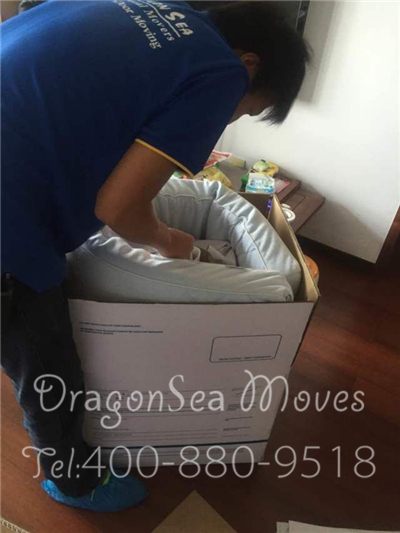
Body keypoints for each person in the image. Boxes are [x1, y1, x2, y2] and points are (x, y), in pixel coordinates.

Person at [1, 0, 310, 512]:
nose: (234, 115)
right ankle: (75, 482)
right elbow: (117, 206)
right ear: (250, 65)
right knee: (47, 359)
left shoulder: (150, 14)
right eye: (247, 109)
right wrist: (169, 242)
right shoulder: (222, 71)